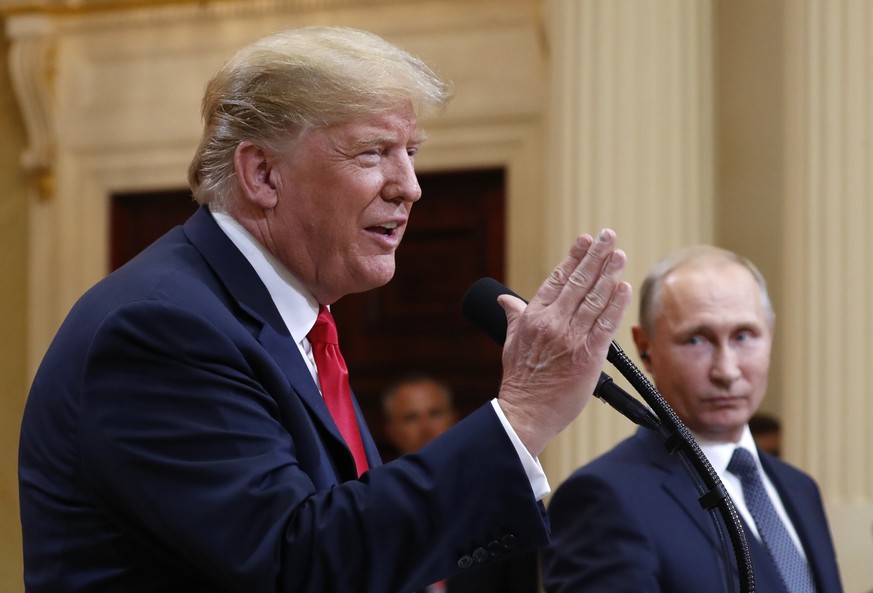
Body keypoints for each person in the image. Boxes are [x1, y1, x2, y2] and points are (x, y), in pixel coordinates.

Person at [18, 26, 633, 593]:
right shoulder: (162, 328)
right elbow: (299, 565)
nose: (410, 185)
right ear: (262, 173)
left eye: (410, 152)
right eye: (372, 154)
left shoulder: (291, 322)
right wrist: (522, 416)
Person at [541, 245, 843, 593]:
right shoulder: (603, 499)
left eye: (744, 336)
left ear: (770, 334)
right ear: (645, 347)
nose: (727, 371)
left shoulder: (799, 488)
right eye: (696, 340)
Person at [381, 374, 540, 593]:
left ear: (454, 419)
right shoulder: (376, 506)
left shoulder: (503, 504)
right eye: (411, 418)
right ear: (392, 431)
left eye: (435, 413)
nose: (426, 427)